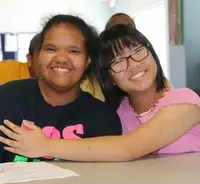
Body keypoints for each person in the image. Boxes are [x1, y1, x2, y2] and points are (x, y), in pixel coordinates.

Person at [1, 25, 200, 162]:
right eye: (118, 61)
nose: (133, 65)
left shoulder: (184, 101)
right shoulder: (117, 113)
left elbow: (127, 148)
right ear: (109, 77)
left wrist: (46, 145)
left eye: (138, 52)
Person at [0, 15, 122, 163]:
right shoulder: (6, 99)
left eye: (74, 51)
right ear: (38, 56)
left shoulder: (103, 119)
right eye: (51, 49)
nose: (62, 58)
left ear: (88, 61)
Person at [0, 34, 104, 100]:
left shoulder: (77, 86)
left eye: (73, 52)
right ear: (29, 59)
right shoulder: (6, 70)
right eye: (50, 51)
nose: (60, 60)